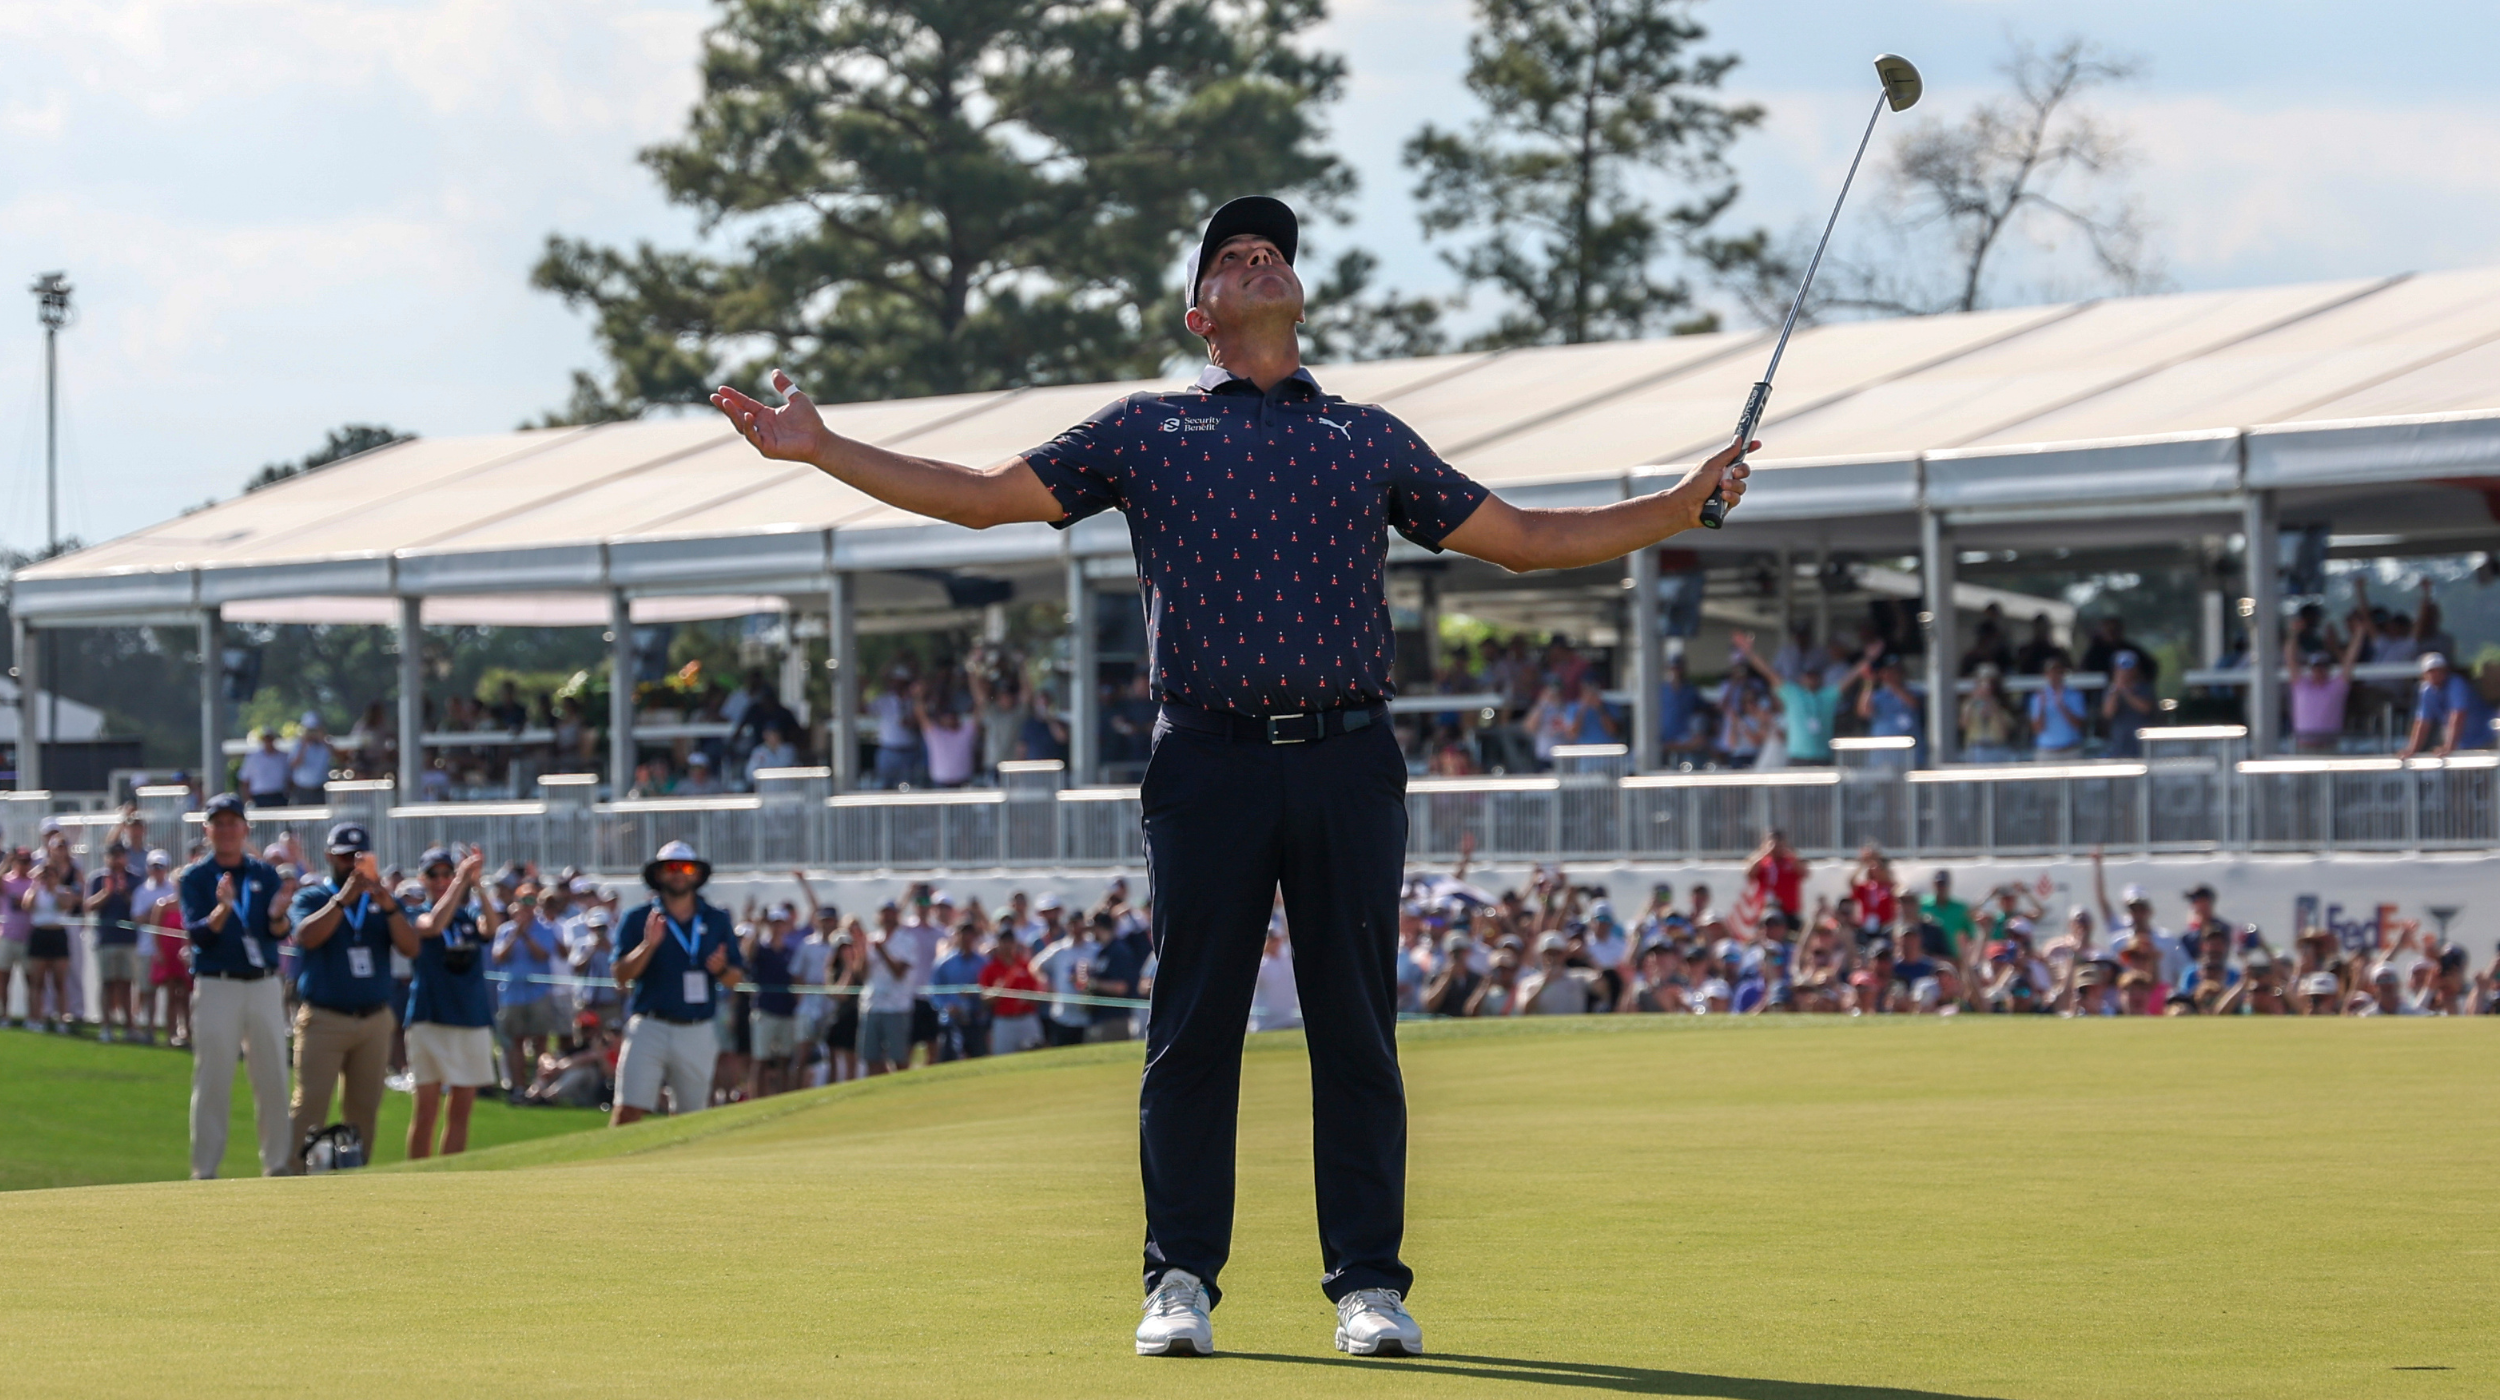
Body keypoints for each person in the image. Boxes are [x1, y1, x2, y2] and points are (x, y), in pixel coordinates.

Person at [710, 192, 1752, 1360]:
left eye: (1276, 254)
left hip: (1350, 756)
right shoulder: (1146, 431)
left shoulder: (1367, 436)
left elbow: (1519, 537)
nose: (1263, 262)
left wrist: (1676, 504)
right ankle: (1179, 1278)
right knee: (1191, 1027)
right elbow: (985, 494)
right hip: (1203, 757)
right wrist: (824, 447)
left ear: (1296, 296)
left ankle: (1367, 1282)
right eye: (1236, 257)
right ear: (1199, 312)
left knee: (1355, 1027)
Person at [176, 793, 294, 1179]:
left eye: (233, 823)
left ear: (245, 828)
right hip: (217, 983)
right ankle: (204, 1169)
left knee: (274, 1075)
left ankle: (277, 1163)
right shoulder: (195, 876)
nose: (226, 830)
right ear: (207, 830)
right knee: (212, 1078)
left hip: (261, 983)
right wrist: (223, 908)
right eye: (219, 823)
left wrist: (278, 916)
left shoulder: (263, 874)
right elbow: (198, 935)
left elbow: (276, 932)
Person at [285, 822, 414, 1170]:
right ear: (329, 857)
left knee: (364, 1109)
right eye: (343, 857)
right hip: (325, 1018)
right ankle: (292, 1174)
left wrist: (388, 905)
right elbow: (307, 937)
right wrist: (344, 899)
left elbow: (410, 946)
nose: (350, 864)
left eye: (357, 857)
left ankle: (355, 1175)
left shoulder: (383, 901)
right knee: (310, 1105)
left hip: (373, 1018)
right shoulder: (313, 895)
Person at [610, 841, 746, 1123]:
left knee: (690, 1118)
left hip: (697, 1028)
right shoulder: (637, 918)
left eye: (685, 868)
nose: (678, 874)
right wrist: (648, 945)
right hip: (650, 1024)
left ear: (696, 874)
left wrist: (720, 970)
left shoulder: (716, 918)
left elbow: (736, 978)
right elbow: (621, 975)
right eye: (671, 868)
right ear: (659, 874)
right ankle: (616, 1167)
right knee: (629, 1108)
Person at [404, 847, 496, 1158]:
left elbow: (492, 927)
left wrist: (478, 884)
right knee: (426, 1111)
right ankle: (417, 1179)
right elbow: (434, 926)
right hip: (430, 1017)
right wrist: (459, 881)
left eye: (447, 873)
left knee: (460, 1112)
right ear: (423, 879)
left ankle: (450, 1177)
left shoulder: (468, 915)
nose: (442, 880)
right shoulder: (415, 912)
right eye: (435, 874)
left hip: (469, 1017)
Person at [491, 883, 565, 1097]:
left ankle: (539, 1088)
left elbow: (542, 955)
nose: (527, 905)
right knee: (515, 1040)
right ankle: (519, 1087)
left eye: (532, 901)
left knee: (541, 1040)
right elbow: (498, 957)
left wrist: (526, 935)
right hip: (512, 993)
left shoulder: (545, 929)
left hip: (538, 993)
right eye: (524, 900)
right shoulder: (505, 930)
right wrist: (516, 934)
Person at [87, 844, 144, 1042]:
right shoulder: (97, 878)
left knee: (127, 984)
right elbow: (89, 905)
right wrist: (107, 892)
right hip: (106, 939)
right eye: (113, 856)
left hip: (128, 940)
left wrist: (124, 891)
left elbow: (137, 907)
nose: (117, 860)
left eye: (120, 856)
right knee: (107, 983)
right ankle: (106, 1026)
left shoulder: (135, 878)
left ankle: (130, 1026)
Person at [22, 851, 82, 1033]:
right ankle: (35, 1018)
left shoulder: (62, 892)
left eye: (51, 873)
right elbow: (27, 906)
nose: (47, 877)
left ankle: (62, 1018)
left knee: (59, 981)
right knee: (37, 982)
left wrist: (53, 888)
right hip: (40, 934)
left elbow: (65, 905)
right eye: (45, 874)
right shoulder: (34, 892)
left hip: (57, 935)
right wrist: (35, 884)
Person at [856, 900, 915, 1075]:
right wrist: (861, 953)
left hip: (896, 1007)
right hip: (872, 1004)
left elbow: (899, 972)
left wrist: (882, 951)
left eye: (891, 913)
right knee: (871, 1057)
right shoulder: (872, 940)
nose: (887, 917)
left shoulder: (906, 941)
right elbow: (862, 974)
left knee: (899, 1057)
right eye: (884, 913)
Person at [2399, 652, 2493, 758]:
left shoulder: (2456, 684)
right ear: (2424, 675)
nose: (2435, 674)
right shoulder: (2426, 690)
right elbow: (2423, 722)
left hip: (2483, 741)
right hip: (2461, 746)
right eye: (2431, 671)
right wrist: (2411, 750)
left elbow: (2458, 715)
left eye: (2439, 670)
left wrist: (2448, 747)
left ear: (2446, 671)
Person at [2287, 627, 2365, 754]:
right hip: (2304, 745)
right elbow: (2290, 658)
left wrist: (2358, 635)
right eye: (2316, 667)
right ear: (2311, 669)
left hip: (2328, 746)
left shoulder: (2336, 687)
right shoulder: (2301, 685)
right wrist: (2294, 632)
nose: (2320, 671)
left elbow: (2350, 660)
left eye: (2323, 667)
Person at [979, 929, 1047, 1054]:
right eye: (1003, 941)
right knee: (1003, 1059)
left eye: (1010, 941)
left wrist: (1031, 997)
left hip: (1026, 1018)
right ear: (998, 944)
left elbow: (1039, 993)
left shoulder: (1026, 965)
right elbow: (984, 998)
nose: (1007, 945)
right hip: (1004, 1021)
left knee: (1035, 1055)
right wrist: (997, 992)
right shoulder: (990, 969)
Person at [2028, 657, 2089, 758]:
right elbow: (2037, 728)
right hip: (2047, 751)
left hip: (2071, 749)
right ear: (2046, 675)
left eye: (2058, 672)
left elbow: (2079, 724)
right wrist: (2042, 708)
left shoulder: (2074, 695)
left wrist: (2062, 706)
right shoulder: (2038, 697)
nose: (2054, 676)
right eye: (2051, 672)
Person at [288, 713, 335, 806]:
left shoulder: (325, 744)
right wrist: (304, 745)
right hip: (303, 789)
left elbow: (337, 758)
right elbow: (294, 764)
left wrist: (323, 739)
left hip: (320, 789)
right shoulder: (298, 745)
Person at [238, 730, 291, 808]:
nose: (268, 742)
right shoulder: (253, 758)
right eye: (266, 739)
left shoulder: (283, 757)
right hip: (259, 797)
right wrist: (247, 799)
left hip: (279, 796)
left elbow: (290, 778)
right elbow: (245, 780)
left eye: (270, 739)